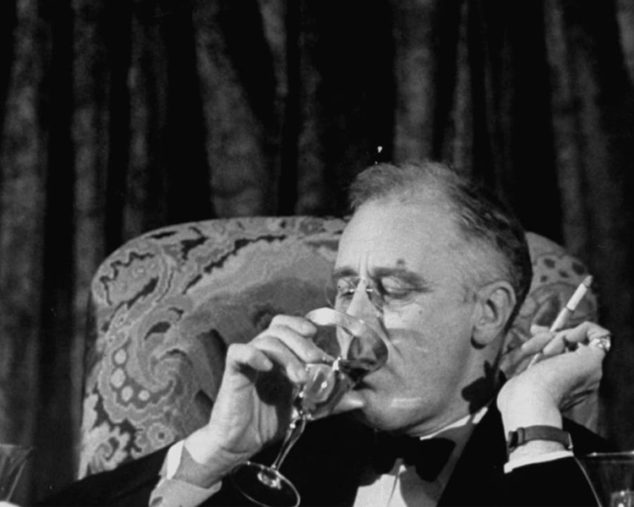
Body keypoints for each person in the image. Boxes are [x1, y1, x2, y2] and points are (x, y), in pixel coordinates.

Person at [40, 161, 612, 506]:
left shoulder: (582, 474)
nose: (352, 321)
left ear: (488, 312)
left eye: (392, 289)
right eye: (345, 288)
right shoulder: (276, 461)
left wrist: (532, 414)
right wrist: (211, 454)